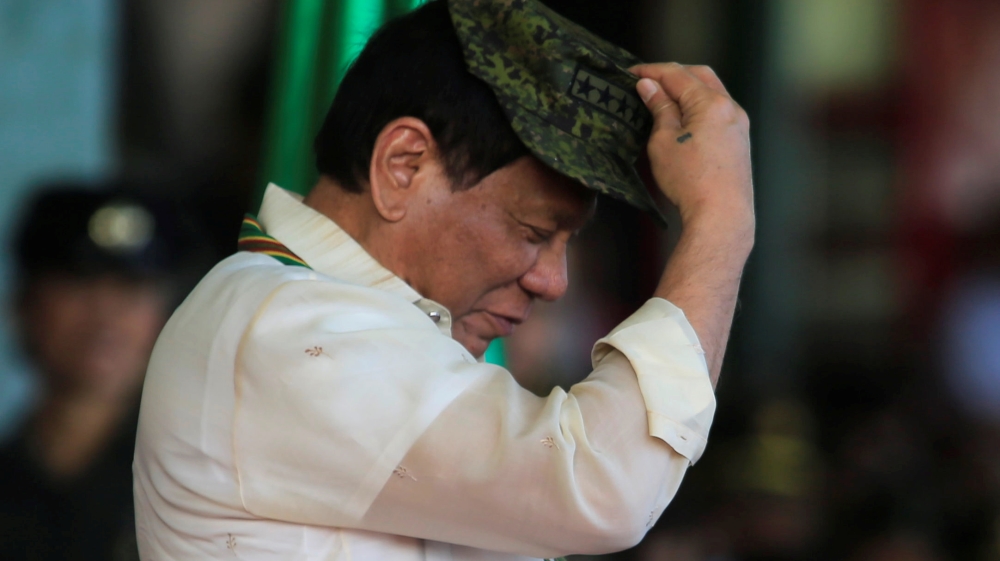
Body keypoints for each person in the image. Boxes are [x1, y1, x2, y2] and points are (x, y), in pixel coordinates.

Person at [133, 0, 754, 559]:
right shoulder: (284, 325)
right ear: (403, 165)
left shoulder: (333, 320)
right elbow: (602, 485)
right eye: (534, 232)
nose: (553, 282)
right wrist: (720, 222)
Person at [0, 185, 179, 561]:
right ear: (24, 304)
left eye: (131, 289)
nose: (106, 316)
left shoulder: (191, 482)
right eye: (79, 282)